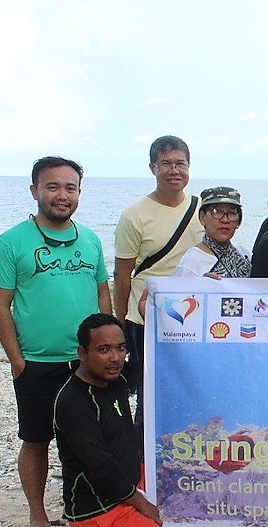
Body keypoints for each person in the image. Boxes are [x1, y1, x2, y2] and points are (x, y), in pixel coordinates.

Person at [0, 156, 111, 527]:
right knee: (37, 438)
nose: (62, 195)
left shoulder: (90, 239)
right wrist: (16, 360)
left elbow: (102, 291)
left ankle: (91, 509)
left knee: (90, 440)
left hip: (86, 362)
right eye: (53, 186)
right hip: (37, 362)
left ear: (79, 193)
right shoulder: (12, 242)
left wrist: (108, 348)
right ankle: (38, 514)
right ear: (35, 190)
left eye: (70, 187)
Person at [52, 314, 187, 527]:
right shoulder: (73, 401)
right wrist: (141, 505)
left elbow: (160, 359)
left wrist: (154, 312)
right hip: (99, 506)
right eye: (103, 350)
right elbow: (102, 468)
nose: (115, 358)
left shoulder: (115, 378)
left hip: (124, 492)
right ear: (82, 353)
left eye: (121, 348)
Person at [113, 135, 201, 450]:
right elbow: (123, 273)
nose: (173, 170)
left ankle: (180, 452)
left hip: (193, 321)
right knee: (147, 392)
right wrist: (119, 322)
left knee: (187, 388)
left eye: (180, 163)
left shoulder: (202, 210)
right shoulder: (135, 214)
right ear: (153, 167)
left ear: (189, 167)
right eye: (166, 163)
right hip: (144, 318)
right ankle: (140, 461)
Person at [175, 187, 252, 278]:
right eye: (217, 212)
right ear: (202, 217)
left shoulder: (245, 254)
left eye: (231, 213)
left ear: (239, 221)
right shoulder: (191, 262)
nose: (224, 220)